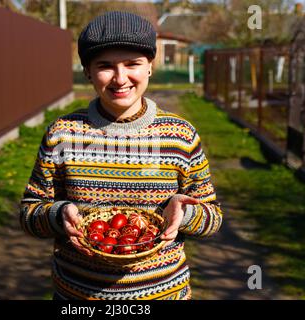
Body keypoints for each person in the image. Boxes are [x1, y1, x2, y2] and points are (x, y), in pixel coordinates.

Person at [19, 11, 223, 300]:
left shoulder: (180, 135)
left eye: (132, 64)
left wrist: (185, 212)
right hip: (79, 296)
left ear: (150, 66)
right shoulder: (62, 133)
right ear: (87, 71)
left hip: (162, 294)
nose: (120, 78)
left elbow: (212, 216)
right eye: (105, 66)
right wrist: (58, 214)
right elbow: (30, 212)